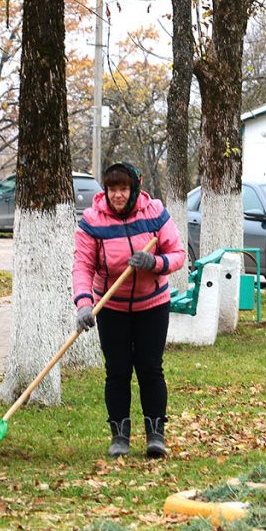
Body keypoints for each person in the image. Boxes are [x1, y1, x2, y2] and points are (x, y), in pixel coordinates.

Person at [72, 162, 185, 458]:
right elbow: (82, 265)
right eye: (112, 190)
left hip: (152, 305)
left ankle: (155, 435)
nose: (118, 196)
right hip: (111, 307)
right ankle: (119, 436)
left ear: (135, 188)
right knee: (118, 371)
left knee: (150, 368)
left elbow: (177, 254)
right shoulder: (93, 221)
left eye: (123, 189)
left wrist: (155, 264)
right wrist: (84, 304)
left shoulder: (155, 213)